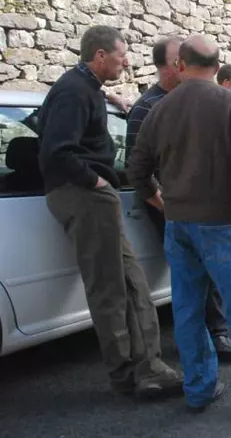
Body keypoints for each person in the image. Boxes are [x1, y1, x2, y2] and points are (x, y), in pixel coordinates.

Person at [127, 35, 231, 414]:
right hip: (224, 222)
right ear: (218, 65)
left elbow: (137, 170)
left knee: (187, 312)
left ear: (180, 66)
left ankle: (199, 389)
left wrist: (163, 203)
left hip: (180, 225)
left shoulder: (159, 107)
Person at [38, 25, 183, 398]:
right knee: (110, 288)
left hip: (89, 196)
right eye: (122, 54)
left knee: (133, 284)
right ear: (100, 55)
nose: (127, 61)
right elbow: (57, 150)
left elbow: (62, 128)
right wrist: (96, 182)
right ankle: (127, 374)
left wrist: (110, 98)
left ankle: (149, 367)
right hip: (84, 195)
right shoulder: (72, 91)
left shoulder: (82, 88)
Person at [125, 37, 231, 361]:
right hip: (171, 204)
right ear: (165, 68)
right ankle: (214, 334)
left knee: (205, 268)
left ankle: (210, 336)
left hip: (198, 200)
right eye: (178, 62)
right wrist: (164, 203)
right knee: (194, 271)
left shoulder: (196, 101)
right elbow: (138, 165)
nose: (183, 67)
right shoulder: (147, 107)